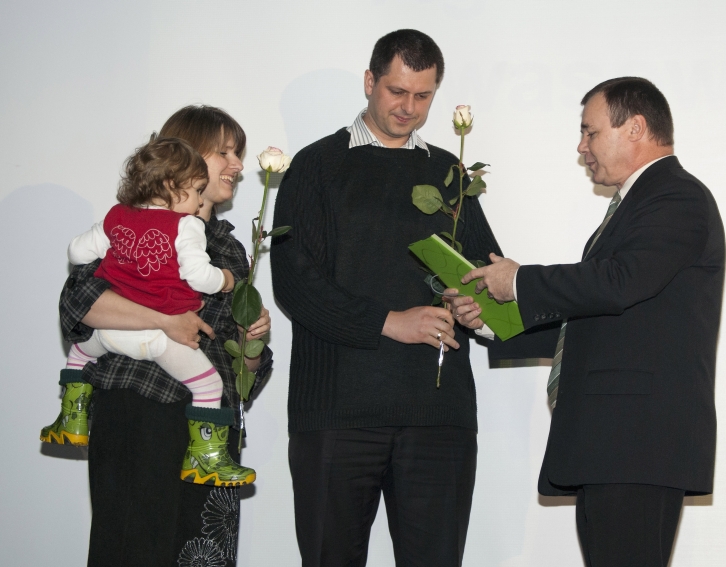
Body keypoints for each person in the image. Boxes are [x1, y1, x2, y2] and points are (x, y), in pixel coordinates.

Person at [453, 77, 725, 567]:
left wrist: (519, 280)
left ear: (635, 128)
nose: (581, 147)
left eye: (590, 132)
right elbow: (594, 318)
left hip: (639, 447)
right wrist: (492, 322)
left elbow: (616, 283)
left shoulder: (676, 197)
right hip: (617, 448)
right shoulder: (642, 204)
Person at [270, 29, 501, 566]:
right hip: (337, 410)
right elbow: (295, 283)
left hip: (438, 413)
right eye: (397, 91)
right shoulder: (315, 166)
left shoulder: (450, 173)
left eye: (423, 96)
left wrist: (478, 311)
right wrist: (389, 321)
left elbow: (486, 275)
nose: (409, 108)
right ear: (370, 81)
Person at [58, 105, 273, 566]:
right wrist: (164, 321)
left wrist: (252, 343)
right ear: (185, 158)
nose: (238, 165)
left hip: (208, 430)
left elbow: (241, 371)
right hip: (141, 414)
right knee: (133, 550)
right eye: (225, 152)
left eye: (238, 153)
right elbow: (79, 303)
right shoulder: (131, 225)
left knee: (201, 554)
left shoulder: (230, 247)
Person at [41, 135, 256, 486]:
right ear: (173, 184)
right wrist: (226, 280)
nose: (199, 199)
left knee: (79, 351)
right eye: (196, 189)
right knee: (208, 385)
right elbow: (199, 278)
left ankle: (71, 417)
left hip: (108, 337)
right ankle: (204, 457)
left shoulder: (117, 215)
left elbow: (77, 253)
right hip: (156, 345)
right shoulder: (186, 226)